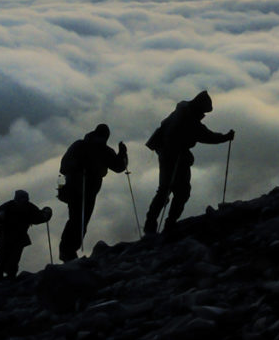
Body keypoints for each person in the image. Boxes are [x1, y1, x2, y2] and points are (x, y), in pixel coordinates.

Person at [143, 91, 234, 235]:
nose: (204, 114)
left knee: (164, 190)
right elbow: (206, 135)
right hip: (176, 157)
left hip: (166, 154)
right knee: (181, 191)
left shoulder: (181, 112)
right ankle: (169, 224)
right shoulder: (189, 119)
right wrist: (225, 137)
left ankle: (151, 225)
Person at [57, 124, 129, 262]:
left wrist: (75, 168)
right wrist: (122, 153)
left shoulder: (79, 145)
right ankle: (68, 251)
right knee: (81, 219)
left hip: (73, 187)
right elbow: (119, 167)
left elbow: (63, 166)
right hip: (88, 189)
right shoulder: (104, 150)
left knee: (75, 218)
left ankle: (67, 251)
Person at [0, 190, 52, 281]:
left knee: (5, 263)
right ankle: (5, 280)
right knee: (7, 263)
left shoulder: (9, 206)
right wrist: (47, 213)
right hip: (13, 239)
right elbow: (39, 218)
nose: (24, 200)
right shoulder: (28, 207)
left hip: (7, 238)